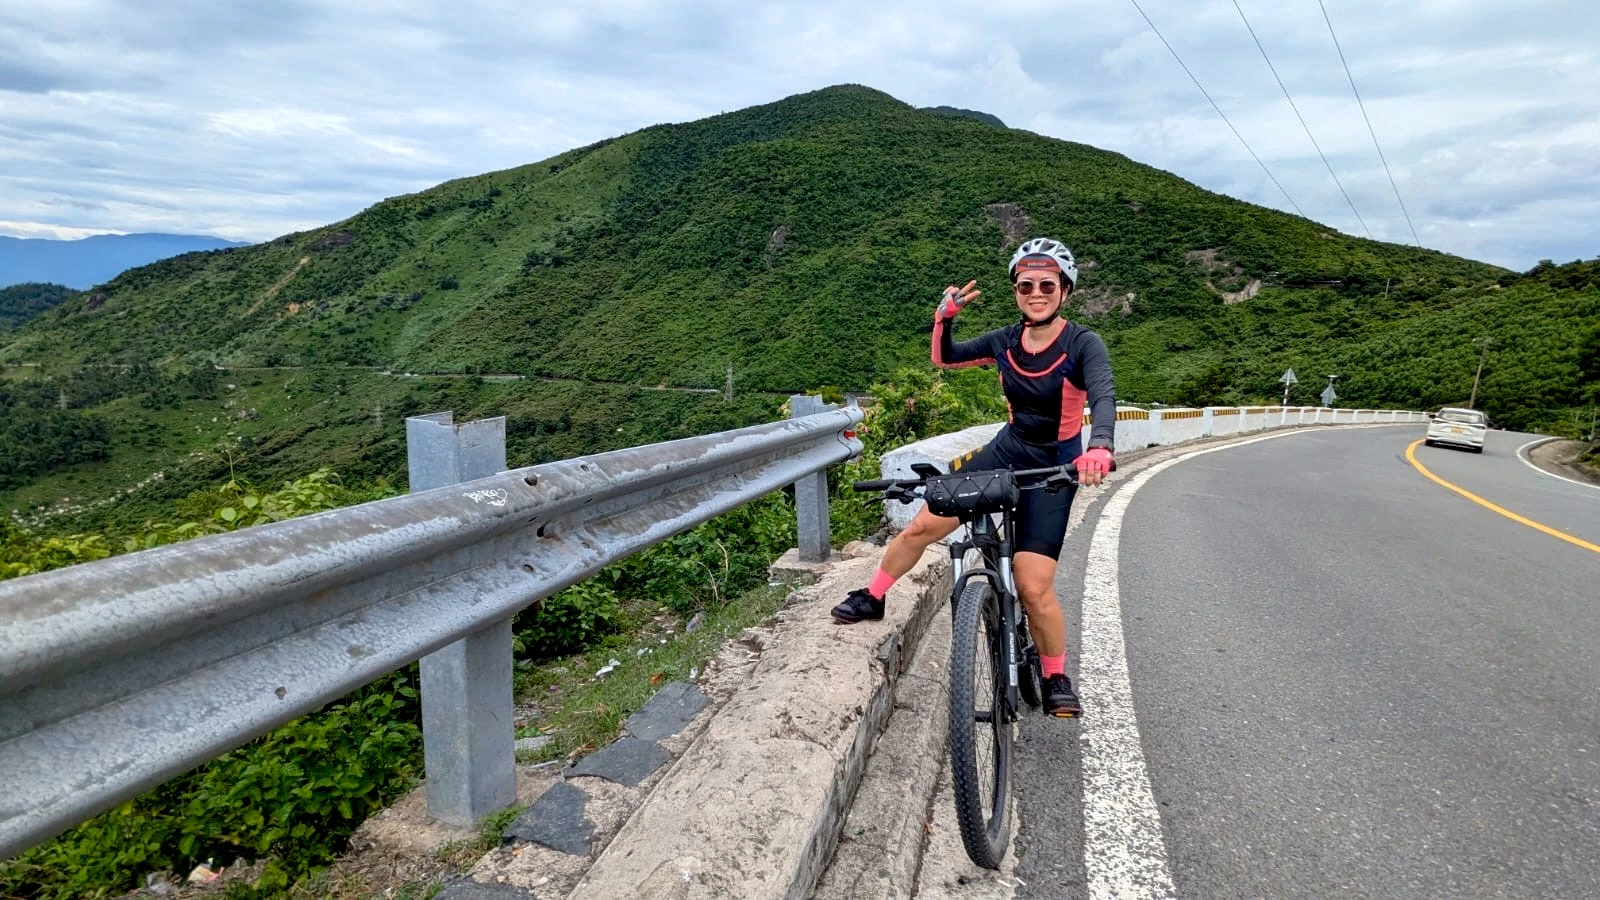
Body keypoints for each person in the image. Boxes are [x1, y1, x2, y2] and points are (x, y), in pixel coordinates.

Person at [831, 237, 1117, 718]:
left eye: (1048, 284)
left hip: (1056, 466)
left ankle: (1055, 674)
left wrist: (1100, 446)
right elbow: (947, 358)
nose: (1037, 292)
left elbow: (1103, 397)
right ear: (1016, 291)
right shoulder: (1006, 341)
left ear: (1065, 290)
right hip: (1006, 451)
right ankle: (873, 595)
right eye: (1026, 285)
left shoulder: (1082, 344)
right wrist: (944, 318)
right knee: (923, 524)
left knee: (1033, 587)